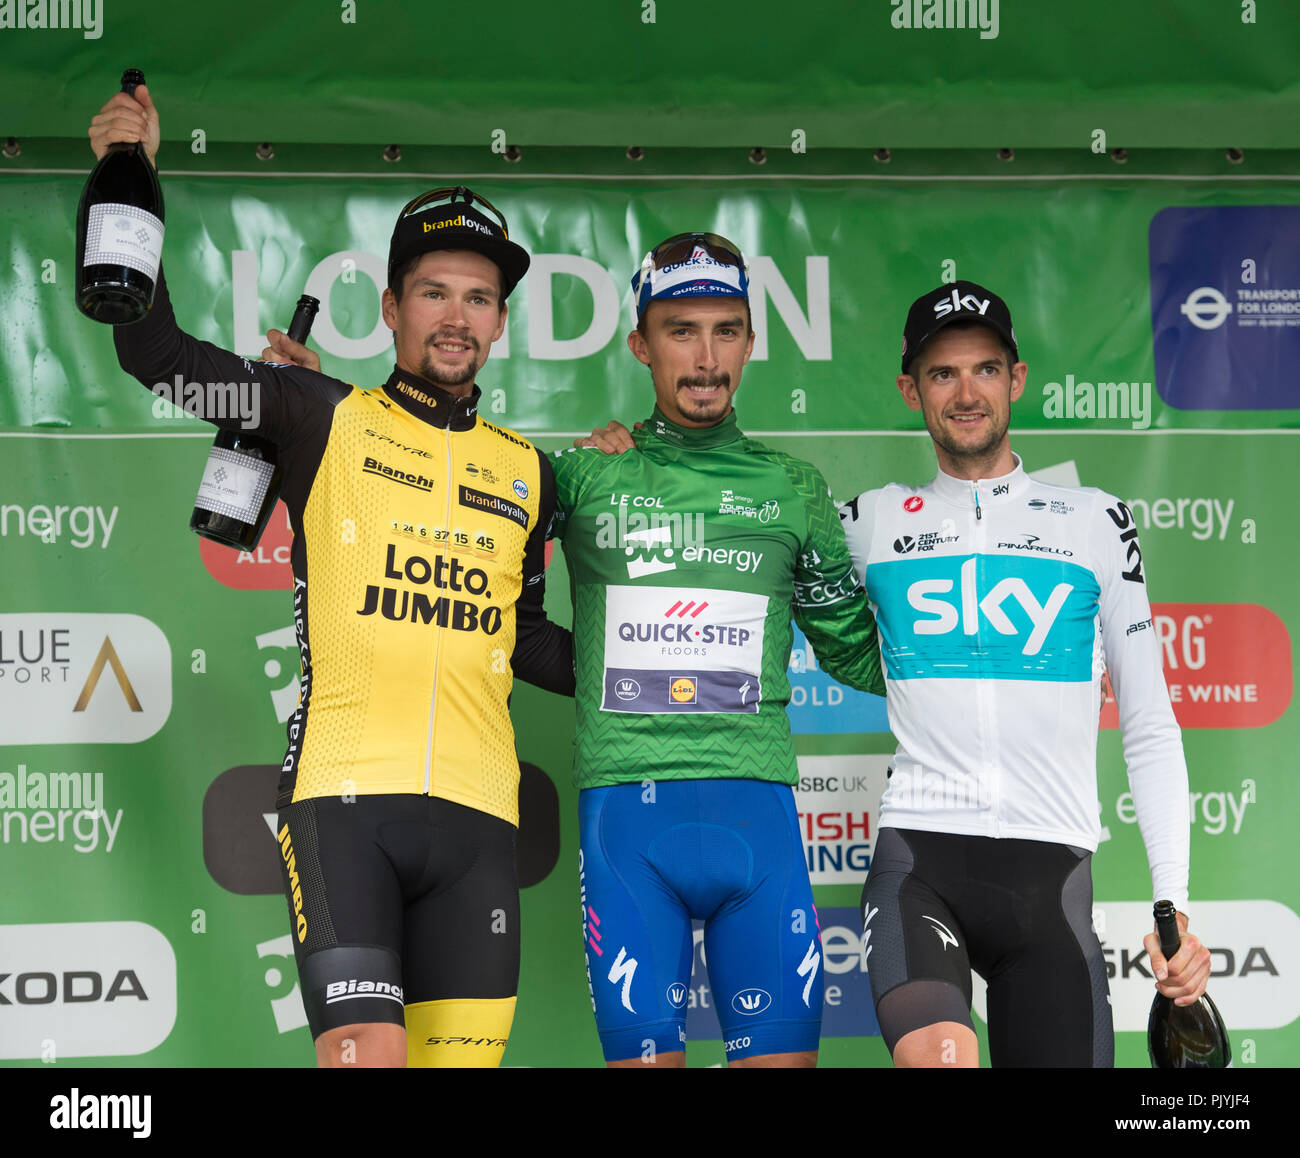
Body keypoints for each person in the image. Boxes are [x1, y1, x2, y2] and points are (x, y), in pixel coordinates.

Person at [89, 85, 573, 1069]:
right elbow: (157, 355)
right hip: (345, 805)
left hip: (482, 821)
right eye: (434, 292)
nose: (456, 316)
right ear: (393, 307)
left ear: (501, 322)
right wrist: (126, 169)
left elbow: (524, 642)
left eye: (478, 297)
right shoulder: (316, 414)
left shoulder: (530, 471)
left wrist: (688, 655)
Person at [838, 280, 1211, 1067]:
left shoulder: (1094, 521)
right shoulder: (869, 521)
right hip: (920, 861)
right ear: (911, 390)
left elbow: (1148, 722)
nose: (966, 392)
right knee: (940, 1057)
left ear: (1017, 379)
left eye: (985, 369)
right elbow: (750, 543)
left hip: (1053, 874)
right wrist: (642, 457)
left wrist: (1172, 903)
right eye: (942, 374)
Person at [553, 233, 886, 1067]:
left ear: (748, 340)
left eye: (726, 329)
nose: (705, 358)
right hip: (628, 819)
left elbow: (857, 654)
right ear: (641, 344)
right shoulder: (585, 477)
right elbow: (455, 495)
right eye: (680, 330)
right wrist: (323, 402)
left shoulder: (794, 486)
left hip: (758, 818)